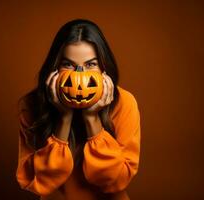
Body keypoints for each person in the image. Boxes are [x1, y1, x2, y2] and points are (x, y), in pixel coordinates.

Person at [16, 19, 141, 200]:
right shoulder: (31, 105)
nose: (79, 78)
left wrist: (92, 119)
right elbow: (37, 181)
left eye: (91, 65)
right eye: (68, 65)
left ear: (104, 68)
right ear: (55, 68)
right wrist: (64, 118)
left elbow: (116, 180)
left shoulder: (125, 103)